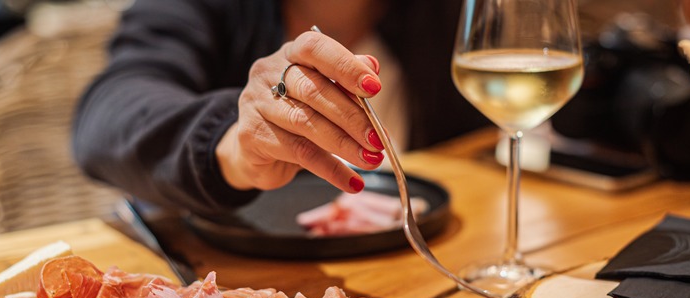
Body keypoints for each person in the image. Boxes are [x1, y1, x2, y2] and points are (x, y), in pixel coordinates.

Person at [72, 0, 489, 216]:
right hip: (215, 273)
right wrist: (232, 144)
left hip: (415, 264)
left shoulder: (448, 13)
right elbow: (109, 114)